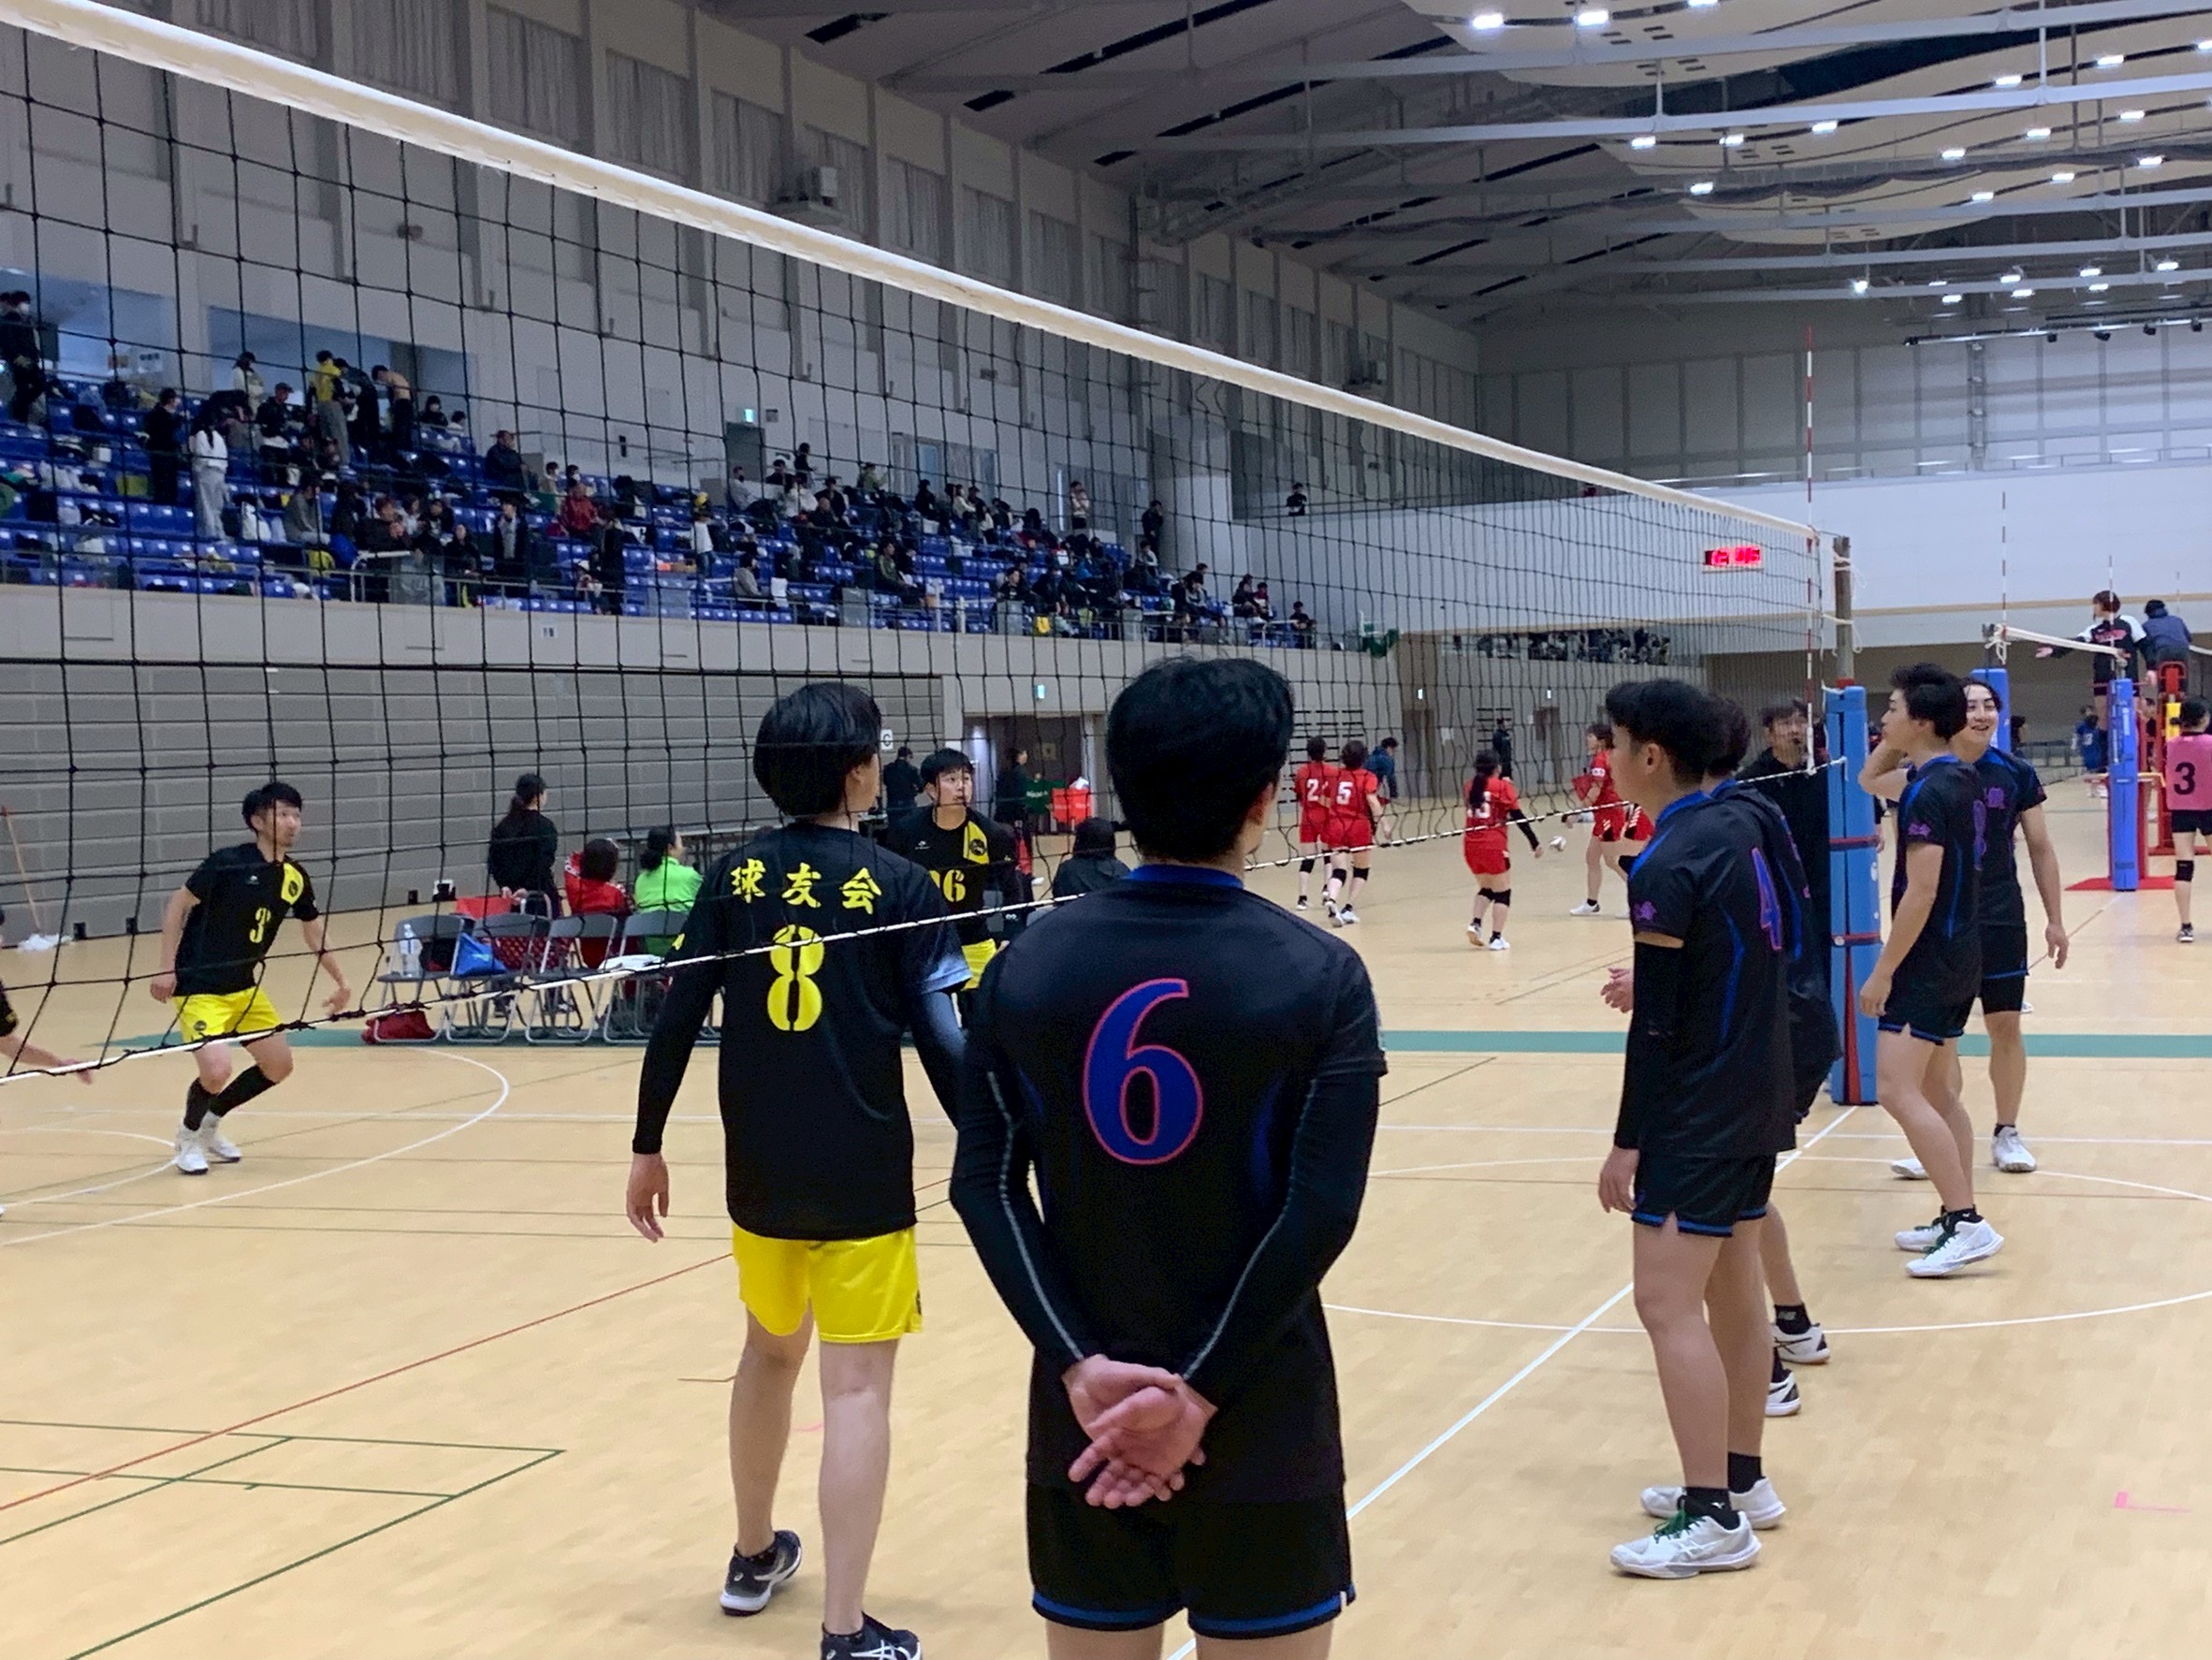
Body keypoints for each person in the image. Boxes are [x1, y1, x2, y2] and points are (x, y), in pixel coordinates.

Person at [950, 654, 1385, 1656]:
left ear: (1121, 788)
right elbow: (1320, 1210)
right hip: (1260, 1412)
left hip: (1089, 1417)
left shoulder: (1024, 966)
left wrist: (1077, 1364)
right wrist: (1197, 1393)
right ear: (1265, 798)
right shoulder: (1321, 975)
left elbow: (984, 1187)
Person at [625, 682, 967, 1660]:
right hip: (863, 1172)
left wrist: (647, 1144)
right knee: (854, 1392)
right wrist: (994, 1145)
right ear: (858, 773)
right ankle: (846, 1630)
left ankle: (751, 1554)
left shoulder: (732, 877)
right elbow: (943, 1041)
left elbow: (678, 1016)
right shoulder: (900, 883)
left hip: (761, 1171)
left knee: (768, 1355)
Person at [1596, 682, 1835, 1577]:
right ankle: (1742, 1480)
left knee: (1665, 1303)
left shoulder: (1666, 860)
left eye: (1616, 743)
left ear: (1651, 755)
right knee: (1736, 1283)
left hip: (1698, 1104)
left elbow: (1656, 1028)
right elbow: (1765, 945)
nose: (1608, 758)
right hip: (1762, 1081)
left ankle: (1712, 1519)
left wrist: (1629, 1138)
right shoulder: (1749, 816)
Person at [1872, 676, 2069, 1181]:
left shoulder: (2014, 773)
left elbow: (2042, 848)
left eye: (1988, 706)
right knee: (1943, 1041)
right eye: (1970, 706)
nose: (1981, 714)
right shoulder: (1926, 774)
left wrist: (2055, 920)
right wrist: (1903, 731)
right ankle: (1938, 1140)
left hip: (1999, 915)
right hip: (1948, 924)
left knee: (2005, 1024)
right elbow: (1870, 779)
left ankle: (2007, 1131)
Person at [1855, 663, 2001, 1277]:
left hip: (1928, 959)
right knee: (1940, 1093)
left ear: (1919, 720)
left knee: (1896, 1089)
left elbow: (1922, 890)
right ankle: (1952, 1213)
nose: (1883, 719)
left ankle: (1968, 1222)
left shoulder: (1927, 791)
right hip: (1959, 952)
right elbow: (1869, 777)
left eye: (1892, 710)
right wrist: (1901, 737)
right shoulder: (1957, 777)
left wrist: (1883, 971)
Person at [150, 782, 352, 1177]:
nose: (292, 822)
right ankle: (187, 1136)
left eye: (296, 814)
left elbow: (313, 931)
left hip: (244, 987)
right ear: (257, 822)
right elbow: (177, 906)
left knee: (278, 1066)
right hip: (199, 986)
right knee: (216, 1071)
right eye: (283, 814)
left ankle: (210, 1123)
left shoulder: (294, 876)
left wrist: (341, 981)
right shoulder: (228, 863)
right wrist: (165, 967)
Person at [882, 750, 1018, 991]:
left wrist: (1010, 935)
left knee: (985, 1010)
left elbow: (1013, 888)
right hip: (925, 943)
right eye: (951, 779)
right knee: (933, 1014)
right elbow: (891, 890)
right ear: (931, 790)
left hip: (974, 940)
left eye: (966, 778)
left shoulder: (992, 833)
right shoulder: (906, 832)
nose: (961, 787)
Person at [1735, 701, 1829, 983]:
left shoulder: (1827, 771)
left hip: (1822, 883)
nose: (1795, 730)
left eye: (1801, 722)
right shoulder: (1750, 781)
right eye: (1786, 723)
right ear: (1769, 734)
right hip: (1775, 887)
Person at [2036, 590, 2143, 750]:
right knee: (2104, 720)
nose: (2093, 608)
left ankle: (2132, 758)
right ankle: (2105, 759)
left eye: (2095, 604)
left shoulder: (2128, 622)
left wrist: (2152, 668)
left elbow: (2145, 644)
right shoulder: (2094, 630)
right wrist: (2053, 651)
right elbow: (2076, 643)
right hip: (2102, 679)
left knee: (2128, 719)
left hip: (2128, 678)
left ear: (2103, 604)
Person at [1463, 750, 1543, 951]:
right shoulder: (1503, 787)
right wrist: (1534, 842)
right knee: (1502, 892)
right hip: (1493, 845)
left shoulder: (1470, 786)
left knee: (1487, 888)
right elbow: (1518, 816)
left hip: (1471, 845)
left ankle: (1475, 923)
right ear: (1497, 768)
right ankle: (1496, 938)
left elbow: (1483, 802)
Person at [1570, 721, 1648, 916]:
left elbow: (1595, 790)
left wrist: (1575, 813)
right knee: (1592, 857)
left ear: (1601, 740)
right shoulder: (1606, 757)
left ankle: (1640, 899)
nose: (1587, 739)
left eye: (1590, 736)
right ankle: (1592, 903)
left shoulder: (1600, 760)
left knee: (1614, 860)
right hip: (1603, 815)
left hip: (1609, 816)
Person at [1320, 739, 1384, 926]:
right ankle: (1348, 909)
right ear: (1363, 757)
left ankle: (1332, 899)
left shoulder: (1334, 775)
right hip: (1358, 826)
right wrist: (1382, 823)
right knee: (1361, 870)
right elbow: (1372, 801)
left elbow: (1323, 800)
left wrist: (1337, 809)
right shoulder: (1368, 776)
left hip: (1336, 825)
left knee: (1339, 871)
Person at [2167, 697, 2212, 944]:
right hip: (2209, 807)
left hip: (2181, 809)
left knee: (2184, 867)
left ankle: (2185, 927)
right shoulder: (2210, 744)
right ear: (2204, 718)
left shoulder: (2171, 745)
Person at [487, 773, 560, 905]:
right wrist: (527, 887)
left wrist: (504, 885)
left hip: (511, 897)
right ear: (538, 797)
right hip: (540, 895)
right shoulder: (545, 826)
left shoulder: (503, 826)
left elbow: (494, 861)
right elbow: (544, 862)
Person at [560, 837, 629, 967]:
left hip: (589, 958)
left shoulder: (575, 888)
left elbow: (569, 864)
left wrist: (592, 851)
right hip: (616, 957)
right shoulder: (616, 892)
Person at [1290, 736, 1337, 911]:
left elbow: (1299, 795)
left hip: (1308, 818)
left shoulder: (1301, 772)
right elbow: (1333, 799)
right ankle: (1327, 891)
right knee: (1328, 855)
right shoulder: (1332, 772)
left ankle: (1302, 899)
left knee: (1307, 859)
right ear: (1324, 751)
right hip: (1326, 817)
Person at [1048, 815, 1128, 899]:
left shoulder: (1066, 869)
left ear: (1079, 840)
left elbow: (1059, 899)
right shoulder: (1121, 870)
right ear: (1111, 842)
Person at [1, 290, 46, 422]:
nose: (26, 305)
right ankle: (20, 416)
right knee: (23, 389)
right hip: (18, 361)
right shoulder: (8, 320)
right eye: (24, 302)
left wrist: (35, 356)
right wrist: (17, 356)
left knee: (38, 385)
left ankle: (19, 407)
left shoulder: (26, 321)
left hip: (30, 360)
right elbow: (7, 341)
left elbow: (30, 342)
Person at [188, 411, 228, 541]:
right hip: (219, 473)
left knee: (206, 505)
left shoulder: (200, 435)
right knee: (216, 506)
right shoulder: (218, 436)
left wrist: (196, 469)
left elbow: (200, 453)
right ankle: (219, 532)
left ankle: (209, 533)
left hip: (206, 471)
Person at [143, 387, 184, 506]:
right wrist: (179, 419)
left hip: (169, 455)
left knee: (171, 484)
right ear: (171, 400)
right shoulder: (157, 416)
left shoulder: (161, 415)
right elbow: (165, 429)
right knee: (163, 484)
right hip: (161, 454)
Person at [2140, 598, 2193, 668]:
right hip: (2182, 649)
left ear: (2148, 612)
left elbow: (2146, 644)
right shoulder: (2177, 620)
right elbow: (2189, 638)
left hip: (2162, 650)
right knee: (2183, 670)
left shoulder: (2146, 625)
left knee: (2159, 670)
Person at [483, 430, 527, 495]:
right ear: (501, 440)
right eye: (508, 438)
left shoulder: (511, 452)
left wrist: (523, 466)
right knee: (512, 476)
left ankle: (523, 493)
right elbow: (503, 464)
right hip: (499, 477)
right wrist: (518, 467)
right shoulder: (494, 451)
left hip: (510, 476)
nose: (511, 440)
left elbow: (519, 461)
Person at [880, 745, 922, 812]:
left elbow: (885, 782)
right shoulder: (912, 770)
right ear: (907, 756)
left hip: (892, 803)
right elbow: (920, 786)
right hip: (908, 802)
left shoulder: (888, 769)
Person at [1369, 736, 1400, 802]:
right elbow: (1391, 778)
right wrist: (1393, 795)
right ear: (1389, 748)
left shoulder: (1370, 757)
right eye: (1394, 750)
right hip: (1371, 787)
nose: (1394, 753)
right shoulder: (1386, 759)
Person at [1491, 714, 1515, 779]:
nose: (1507, 724)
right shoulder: (1497, 735)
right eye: (1505, 722)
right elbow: (1496, 748)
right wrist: (1498, 761)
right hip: (1501, 761)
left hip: (1507, 760)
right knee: (1501, 777)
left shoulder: (1506, 734)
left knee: (1508, 777)